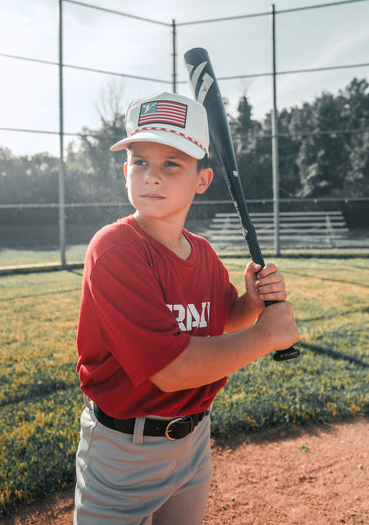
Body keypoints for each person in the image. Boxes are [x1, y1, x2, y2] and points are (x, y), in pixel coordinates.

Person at [74, 91, 299, 525]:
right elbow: (172, 368)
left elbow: (218, 321)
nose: (151, 176)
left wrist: (251, 303)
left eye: (171, 164)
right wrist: (264, 336)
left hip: (195, 440)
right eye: (140, 162)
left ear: (202, 179)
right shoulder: (116, 249)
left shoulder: (203, 252)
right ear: (125, 171)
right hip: (125, 452)